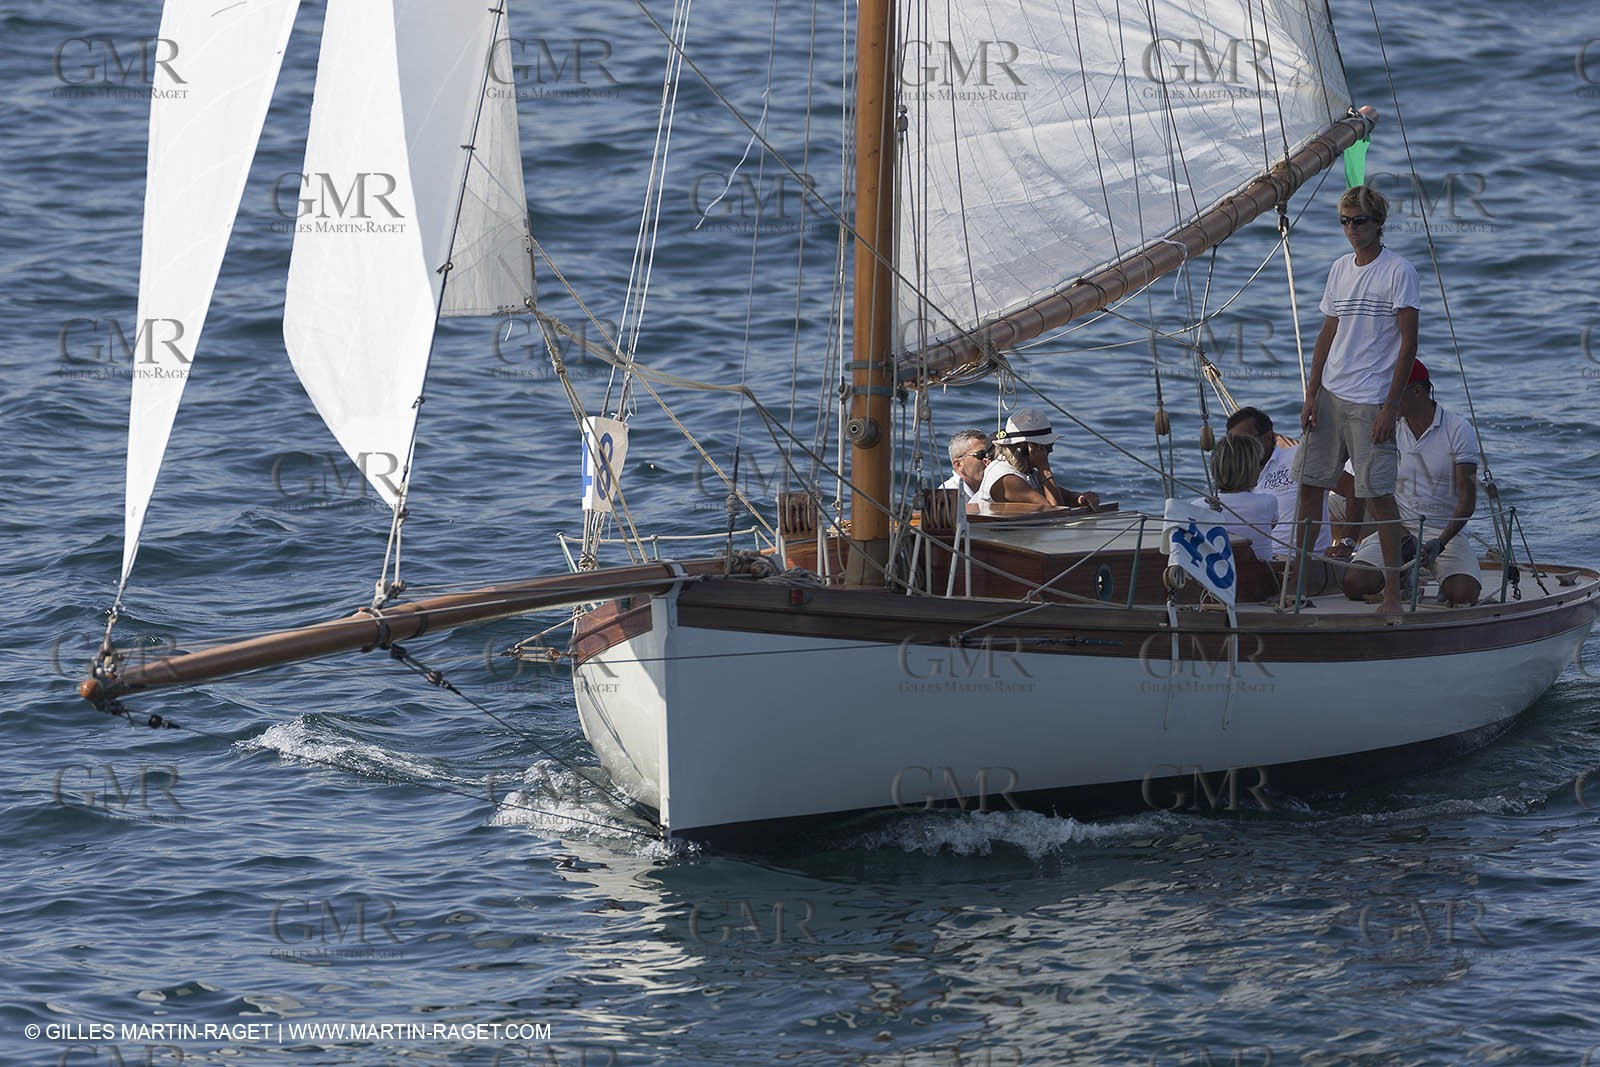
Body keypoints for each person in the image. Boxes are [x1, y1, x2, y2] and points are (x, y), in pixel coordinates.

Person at [1290, 184, 1421, 614]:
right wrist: (1311, 395)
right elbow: (1327, 333)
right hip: (1331, 395)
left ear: (1378, 222)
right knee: (1310, 485)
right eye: (1345, 221)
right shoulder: (1339, 269)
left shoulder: (1398, 271)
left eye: (1359, 221)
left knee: (1378, 495)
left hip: (1371, 402)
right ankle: (1298, 584)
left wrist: (1391, 406)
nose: (1351, 229)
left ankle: (1392, 593)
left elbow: (1408, 344)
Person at [1342, 359, 1481, 606]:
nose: (1386, 400)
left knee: (1463, 594)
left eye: (1393, 392)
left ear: (1418, 392)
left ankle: (1443, 578)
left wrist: (1441, 542)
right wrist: (1396, 529)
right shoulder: (1388, 427)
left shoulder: (1459, 430)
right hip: (1398, 528)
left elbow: (1467, 501)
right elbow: (1367, 487)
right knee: (1355, 583)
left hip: (1443, 532)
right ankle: (1402, 576)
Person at [1224, 406, 1331, 560]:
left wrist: (1347, 542)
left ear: (1268, 437)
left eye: (1246, 441)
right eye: (1233, 443)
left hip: (1295, 560)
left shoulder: (1298, 456)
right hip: (1257, 558)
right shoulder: (1234, 477)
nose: (1239, 449)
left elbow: (1350, 489)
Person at [973, 408, 1099, 509]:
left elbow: (1065, 496)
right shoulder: (1007, 478)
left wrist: (1081, 499)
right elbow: (1055, 511)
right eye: (1047, 447)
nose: (1051, 451)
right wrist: (1044, 469)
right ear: (1027, 449)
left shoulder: (1025, 470)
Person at [1189, 434, 1276, 553]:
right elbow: (1271, 525)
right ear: (1250, 469)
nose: (1261, 469)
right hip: (1260, 565)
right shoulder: (1267, 502)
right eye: (1259, 463)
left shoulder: (1196, 506)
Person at [939, 429, 990, 502]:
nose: (988, 460)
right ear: (958, 464)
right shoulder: (947, 496)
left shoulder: (992, 489)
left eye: (991, 454)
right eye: (982, 455)